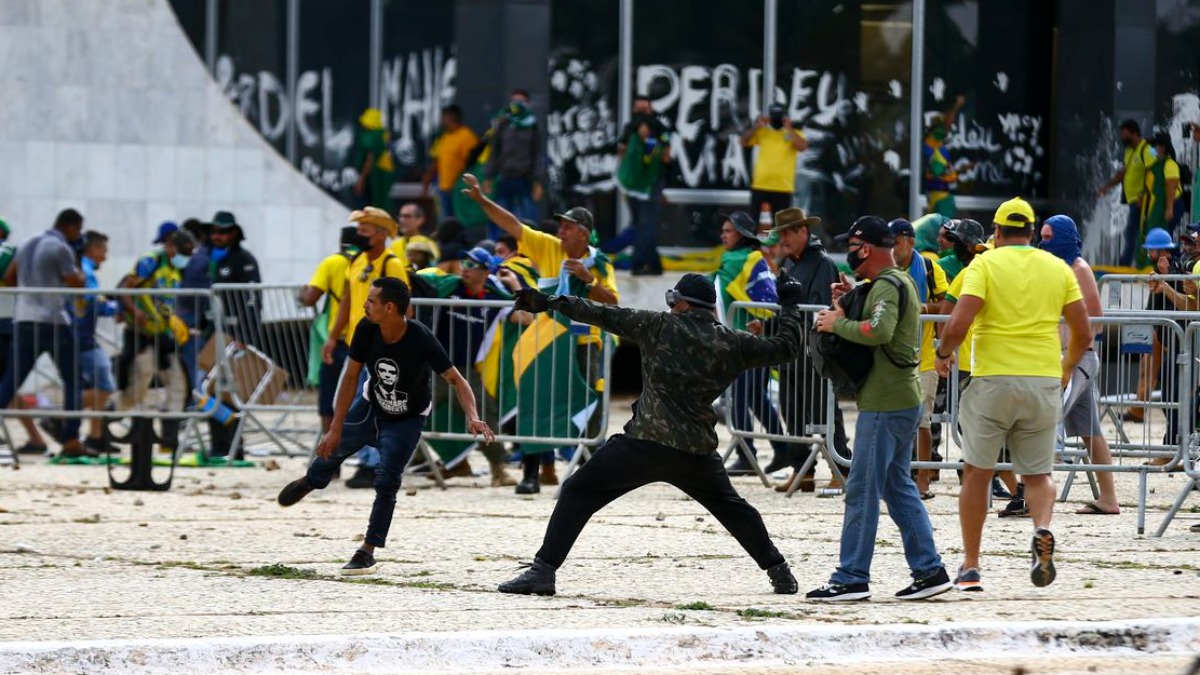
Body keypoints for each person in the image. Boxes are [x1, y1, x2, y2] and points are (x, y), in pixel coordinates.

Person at [497, 273, 807, 596]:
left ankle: (543, 571)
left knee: (577, 491)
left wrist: (548, 303)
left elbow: (601, 313)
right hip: (696, 452)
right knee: (735, 510)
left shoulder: (658, 325)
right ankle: (779, 571)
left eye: (674, 301)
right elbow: (786, 348)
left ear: (683, 304)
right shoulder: (732, 342)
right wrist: (789, 304)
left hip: (644, 444)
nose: (671, 307)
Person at [277, 277, 494, 575]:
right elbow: (350, 378)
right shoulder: (366, 329)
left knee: (387, 480)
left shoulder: (420, 338)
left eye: (370, 301)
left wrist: (472, 415)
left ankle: (367, 550)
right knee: (329, 454)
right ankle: (312, 481)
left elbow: (457, 379)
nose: (364, 305)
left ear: (389, 307)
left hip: (406, 419)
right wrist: (335, 427)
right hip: (369, 408)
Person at [936, 197, 1091, 591]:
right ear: (1032, 232)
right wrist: (1067, 367)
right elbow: (1084, 331)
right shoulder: (1057, 268)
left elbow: (958, 322)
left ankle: (971, 566)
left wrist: (943, 354)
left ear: (998, 232)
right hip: (1042, 379)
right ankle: (1041, 528)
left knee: (976, 473)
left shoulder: (985, 264)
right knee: (1038, 476)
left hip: (992, 380)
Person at [805, 216, 951, 602]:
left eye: (851, 247)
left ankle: (851, 576)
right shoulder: (890, 283)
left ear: (865, 248)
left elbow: (880, 331)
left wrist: (837, 325)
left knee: (862, 488)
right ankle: (930, 570)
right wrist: (849, 300)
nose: (847, 253)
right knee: (898, 487)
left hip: (886, 405)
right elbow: (876, 320)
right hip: (896, 399)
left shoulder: (888, 284)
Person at [463, 172, 619, 493]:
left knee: (589, 405)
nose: (560, 231)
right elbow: (512, 225)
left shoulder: (600, 263)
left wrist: (590, 281)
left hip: (583, 343)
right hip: (546, 341)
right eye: (559, 226)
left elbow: (614, 302)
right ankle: (532, 474)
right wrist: (481, 200)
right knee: (535, 402)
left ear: (583, 233)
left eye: (567, 227)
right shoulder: (549, 248)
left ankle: (589, 474)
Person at [750, 207, 850, 492]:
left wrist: (784, 326)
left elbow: (816, 308)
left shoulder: (821, 263)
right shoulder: (790, 264)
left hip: (813, 352)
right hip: (792, 351)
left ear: (803, 231)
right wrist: (767, 327)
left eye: (787, 233)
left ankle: (841, 467)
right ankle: (802, 470)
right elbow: (789, 309)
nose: (782, 238)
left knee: (824, 412)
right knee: (792, 413)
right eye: (780, 233)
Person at [323, 207, 412, 488]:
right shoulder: (357, 261)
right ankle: (358, 460)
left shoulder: (392, 264)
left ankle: (372, 465)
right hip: (357, 344)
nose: (358, 234)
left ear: (381, 234)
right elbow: (347, 301)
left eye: (364, 230)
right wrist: (332, 335)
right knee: (351, 405)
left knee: (373, 408)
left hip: (383, 347)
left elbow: (404, 307)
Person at [1038, 215, 1120, 515]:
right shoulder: (1060, 268)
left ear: (1062, 237)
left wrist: (1068, 352)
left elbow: (1096, 319)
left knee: (1045, 420)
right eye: (1041, 236)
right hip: (1072, 357)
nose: (1043, 242)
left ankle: (1031, 493)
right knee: (1091, 432)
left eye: (1048, 237)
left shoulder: (1079, 268)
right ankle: (1109, 498)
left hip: (1077, 359)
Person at [423, 246, 516, 486]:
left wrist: (515, 285)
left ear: (486, 272)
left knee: (485, 414)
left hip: (464, 370)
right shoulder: (449, 286)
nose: (465, 268)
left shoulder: (496, 296)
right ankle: (455, 462)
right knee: (414, 412)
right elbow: (420, 282)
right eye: (464, 262)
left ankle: (498, 469)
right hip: (435, 366)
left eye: (472, 264)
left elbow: (525, 316)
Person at [0, 209, 89, 458]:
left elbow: (9, 278)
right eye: (78, 230)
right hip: (53, 320)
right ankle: (71, 437)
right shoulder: (61, 248)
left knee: (10, 381)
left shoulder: (27, 242)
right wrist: (79, 263)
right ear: (71, 227)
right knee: (72, 379)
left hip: (24, 319)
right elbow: (75, 282)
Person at [713, 212, 788, 475]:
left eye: (729, 231)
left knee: (740, 398)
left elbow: (767, 302)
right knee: (754, 397)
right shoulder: (739, 260)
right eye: (722, 230)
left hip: (751, 342)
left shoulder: (750, 260)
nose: (723, 235)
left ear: (742, 234)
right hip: (742, 342)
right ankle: (782, 448)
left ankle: (748, 455)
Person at [116, 229, 195, 452]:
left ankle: (168, 443)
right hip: (141, 334)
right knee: (138, 386)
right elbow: (125, 289)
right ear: (170, 246)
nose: (185, 258)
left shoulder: (176, 272)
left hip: (162, 336)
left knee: (179, 385)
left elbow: (161, 300)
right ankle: (108, 418)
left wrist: (172, 320)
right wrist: (134, 312)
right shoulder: (150, 261)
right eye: (182, 252)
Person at [888, 219, 948, 497]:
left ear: (910, 241)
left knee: (922, 420)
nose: (891, 248)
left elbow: (947, 305)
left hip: (923, 355)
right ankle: (897, 474)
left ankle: (924, 476)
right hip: (890, 356)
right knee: (892, 418)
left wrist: (924, 308)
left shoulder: (928, 266)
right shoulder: (883, 267)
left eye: (895, 242)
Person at [207, 211, 263, 459]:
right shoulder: (209, 258)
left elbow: (253, 299)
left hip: (234, 335)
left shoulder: (244, 259)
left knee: (232, 392)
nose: (217, 236)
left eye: (223, 232)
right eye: (215, 231)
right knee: (210, 390)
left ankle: (234, 446)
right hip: (213, 334)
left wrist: (246, 336)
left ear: (233, 233)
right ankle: (218, 444)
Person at [300, 226, 364, 438]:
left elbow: (310, 298)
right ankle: (361, 450)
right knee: (362, 397)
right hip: (365, 338)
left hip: (338, 339)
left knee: (329, 399)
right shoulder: (367, 264)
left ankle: (330, 453)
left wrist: (302, 292)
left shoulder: (332, 263)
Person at [0, 219, 53, 456]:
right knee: (6, 385)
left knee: (6, 385)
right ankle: (35, 438)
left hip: (5, 322)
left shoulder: (7, 252)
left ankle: (36, 437)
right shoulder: (15, 252)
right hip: (12, 321)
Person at [615, 95, 672, 276]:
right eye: (638, 110)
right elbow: (622, 152)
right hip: (633, 184)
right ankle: (653, 263)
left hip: (651, 183)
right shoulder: (629, 129)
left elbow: (666, 155)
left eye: (644, 110)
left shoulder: (659, 128)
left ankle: (639, 262)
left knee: (646, 224)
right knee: (641, 224)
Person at [74, 231, 119, 453]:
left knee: (96, 386)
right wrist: (120, 308)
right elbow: (94, 303)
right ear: (92, 249)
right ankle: (61, 414)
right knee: (105, 386)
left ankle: (96, 435)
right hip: (83, 338)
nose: (106, 256)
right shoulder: (86, 270)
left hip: (81, 336)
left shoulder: (83, 268)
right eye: (103, 249)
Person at [485, 90, 544, 237]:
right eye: (514, 101)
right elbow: (495, 151)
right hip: (505, 177)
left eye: (521, 101)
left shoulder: (532, 126)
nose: (516, 105)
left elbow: (538, 155)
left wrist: (538, 182)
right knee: (499, 217)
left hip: (525, 179)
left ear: (527, 104)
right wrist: (489, 177)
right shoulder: (504, 123)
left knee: (527, 220)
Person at [1098, 119, 1155, 268]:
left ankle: (1129, 264)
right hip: (1133, 201)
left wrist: (1144, 194)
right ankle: (1129, 264)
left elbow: (1154, 173)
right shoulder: (1129, 151)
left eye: (1125, 135)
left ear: (1135, 133)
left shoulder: (1147, 149)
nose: (1122, 138)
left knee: (1134, 233)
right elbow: (1123, 173)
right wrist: (1107, 187)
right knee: (1132, 233)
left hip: (1144, 202)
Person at [742, 103, 808, 219]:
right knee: (752, 223)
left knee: (779, 226)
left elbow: (802, 147)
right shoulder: (762, 132)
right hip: (760, 184)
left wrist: (789, 128)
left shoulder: (794, 133)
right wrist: (757, 126)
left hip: (782, 186)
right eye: (774, 116)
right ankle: (751, 238)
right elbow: (744, 141)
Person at [423, 105, 480, 218]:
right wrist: (426, 180)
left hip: (459, 189)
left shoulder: (467, 136)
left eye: (443, 117)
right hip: (442, 187)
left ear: (451, 117)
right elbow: (436, 160)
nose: (441, 121)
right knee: (444, 220)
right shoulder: (444, 137)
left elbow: (472, 164)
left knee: (459, 219)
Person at [176, 219, 211, 388]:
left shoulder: (197, 259)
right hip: (193, 316)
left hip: (188, 315)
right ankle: (195, 398)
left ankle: (194, 399)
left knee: (192, 361)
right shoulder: (202, 257)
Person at [923, 96, 968, 218]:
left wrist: (961, 171)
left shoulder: (942, 148)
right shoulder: (929, 145)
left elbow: (946, 174)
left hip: (943, 196)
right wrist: (957, 106)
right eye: (942, 126)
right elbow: (947, 123)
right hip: (936, 197)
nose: (948, 128)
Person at [351, 108, 396, 214]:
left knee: (375, 206)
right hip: (385, 172)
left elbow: (370, 159)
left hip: (377, 175)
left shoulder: (373, 136)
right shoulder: (383, 134)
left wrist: (361, 179)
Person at [1142, 133, 1184, 236]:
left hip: (1172, 204)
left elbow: (1171, 186)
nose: (1155, 149)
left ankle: (1173, 252)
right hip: (1162, 204)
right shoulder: (1156, 165)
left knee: (1165, 237)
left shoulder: (1169, 164)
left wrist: (1169, 208)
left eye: (1157, 146)